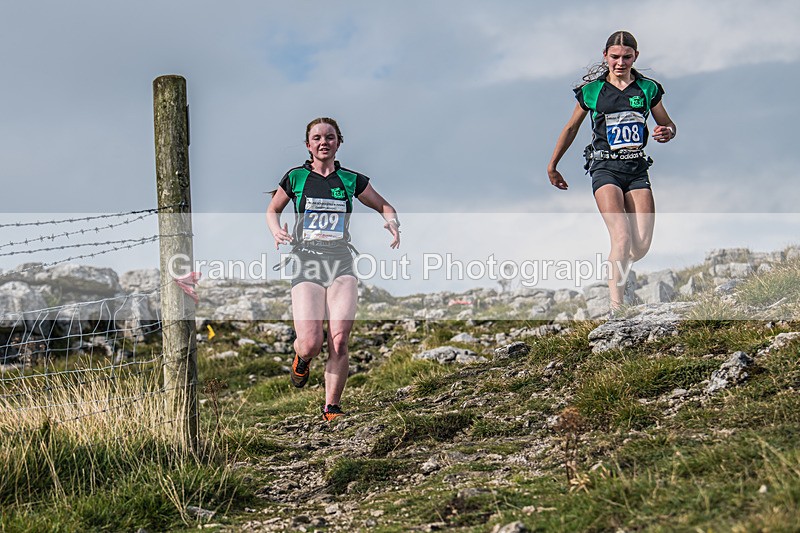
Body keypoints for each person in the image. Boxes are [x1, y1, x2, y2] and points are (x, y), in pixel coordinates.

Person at [266, 117, 400, 421]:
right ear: (308, 145)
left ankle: (332, 407)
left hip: (341, 262)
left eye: (329, 137)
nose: (323, 142)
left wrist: (392, 224)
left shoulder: (351, 180)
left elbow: (384, 205)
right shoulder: (296, 177)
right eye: (317, 138)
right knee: (312, 342)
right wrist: (276, 231)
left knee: (339, 339)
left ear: (338, 142)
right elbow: (273, 209)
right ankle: (302, 358)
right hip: (306, 261)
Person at [547, 30, 676, 311]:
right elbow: (571, 128)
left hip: (637, 168)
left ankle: (617, 270)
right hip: (604, 167)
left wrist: (667, 131)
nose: (620, 62)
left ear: (635, 57)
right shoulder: (592, 91)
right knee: (621, 235)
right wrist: (553, 165)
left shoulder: (648, 89)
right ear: (605, 56)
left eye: (626, 57)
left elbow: (668, 124)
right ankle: (617, 309)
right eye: (615, 57)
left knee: (640, 246)